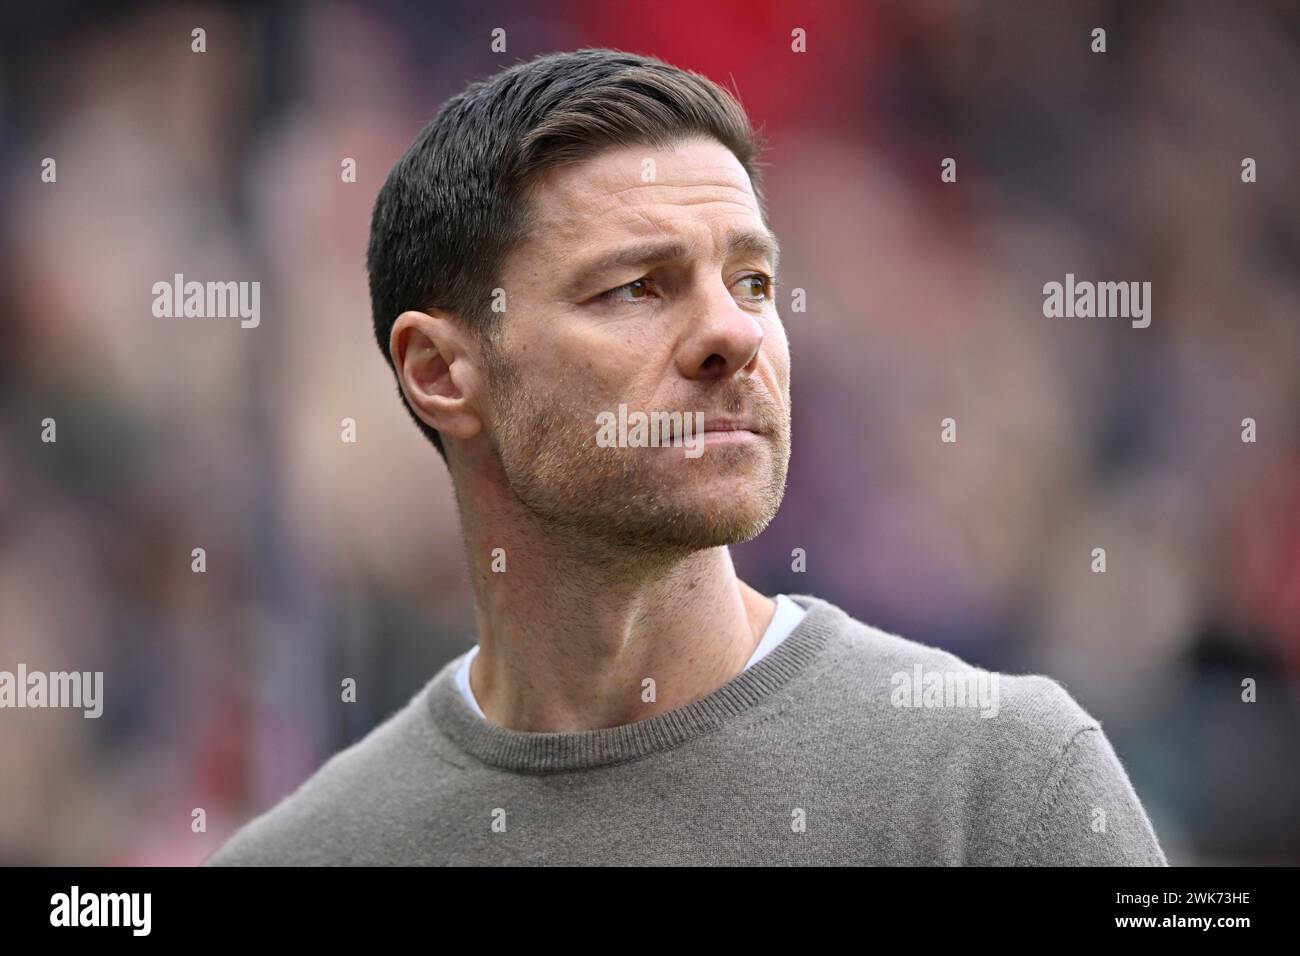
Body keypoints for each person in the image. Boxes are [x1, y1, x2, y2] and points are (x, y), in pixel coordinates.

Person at [205, 48, 1166, 866]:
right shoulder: (308, 856)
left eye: (752, 280)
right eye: (635, 288)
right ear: (442, 373)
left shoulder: (1002, 785)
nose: (733, 334)